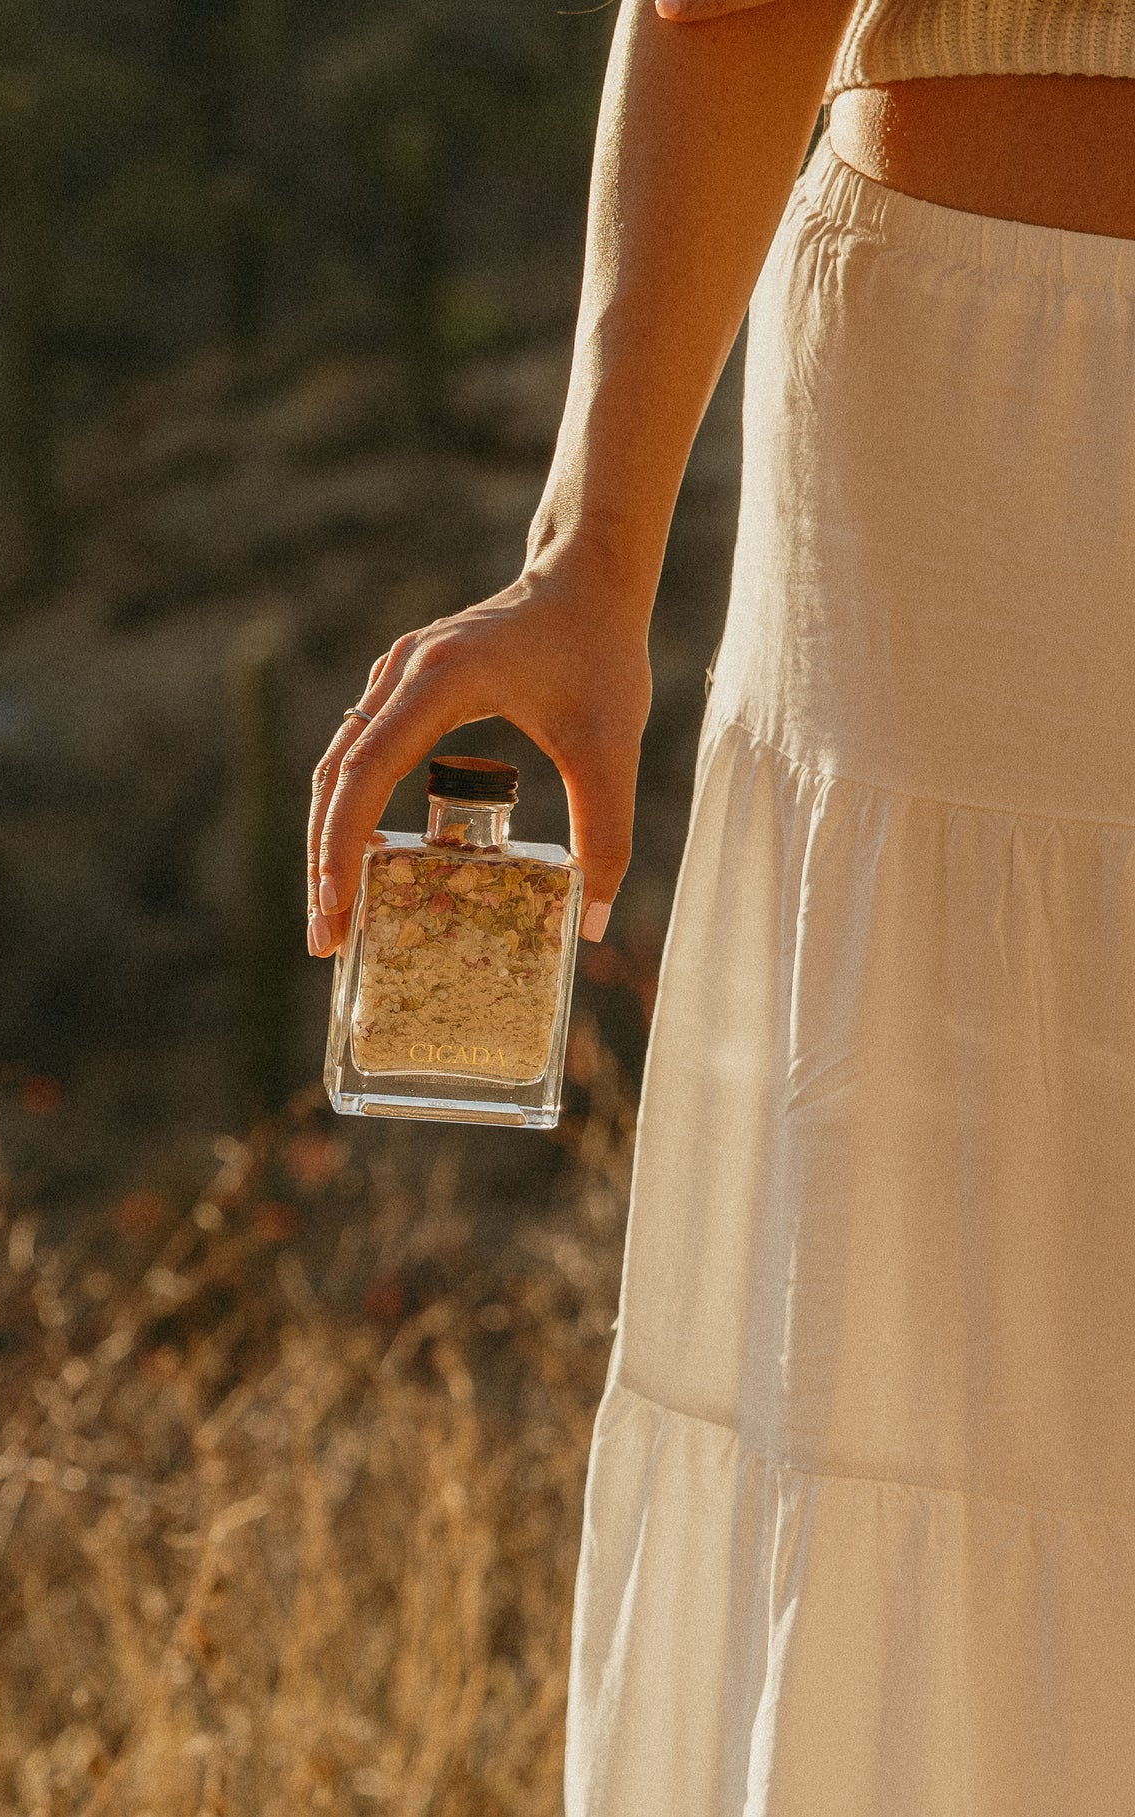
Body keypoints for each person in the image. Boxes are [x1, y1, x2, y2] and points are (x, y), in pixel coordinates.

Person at [308, 0, 1135, 1808]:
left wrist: (593, 566)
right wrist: (580, 563)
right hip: (982, 461)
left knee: (927, 1343)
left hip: (985, 409)